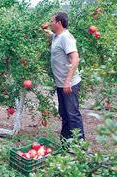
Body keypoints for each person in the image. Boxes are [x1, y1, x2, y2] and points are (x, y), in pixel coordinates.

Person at [46, 12, 85, 140]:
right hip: (61, 83)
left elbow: (75, 59)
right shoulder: (56, 36)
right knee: (64, 113)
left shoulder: (66, 38)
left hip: (69, 84)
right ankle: (66, 143)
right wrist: (44, 28)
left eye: (52, 21)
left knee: (72, 114)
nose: (50, 23)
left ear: (59, 23)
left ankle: (79, 146)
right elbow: (50, 33)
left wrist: (67, 81)